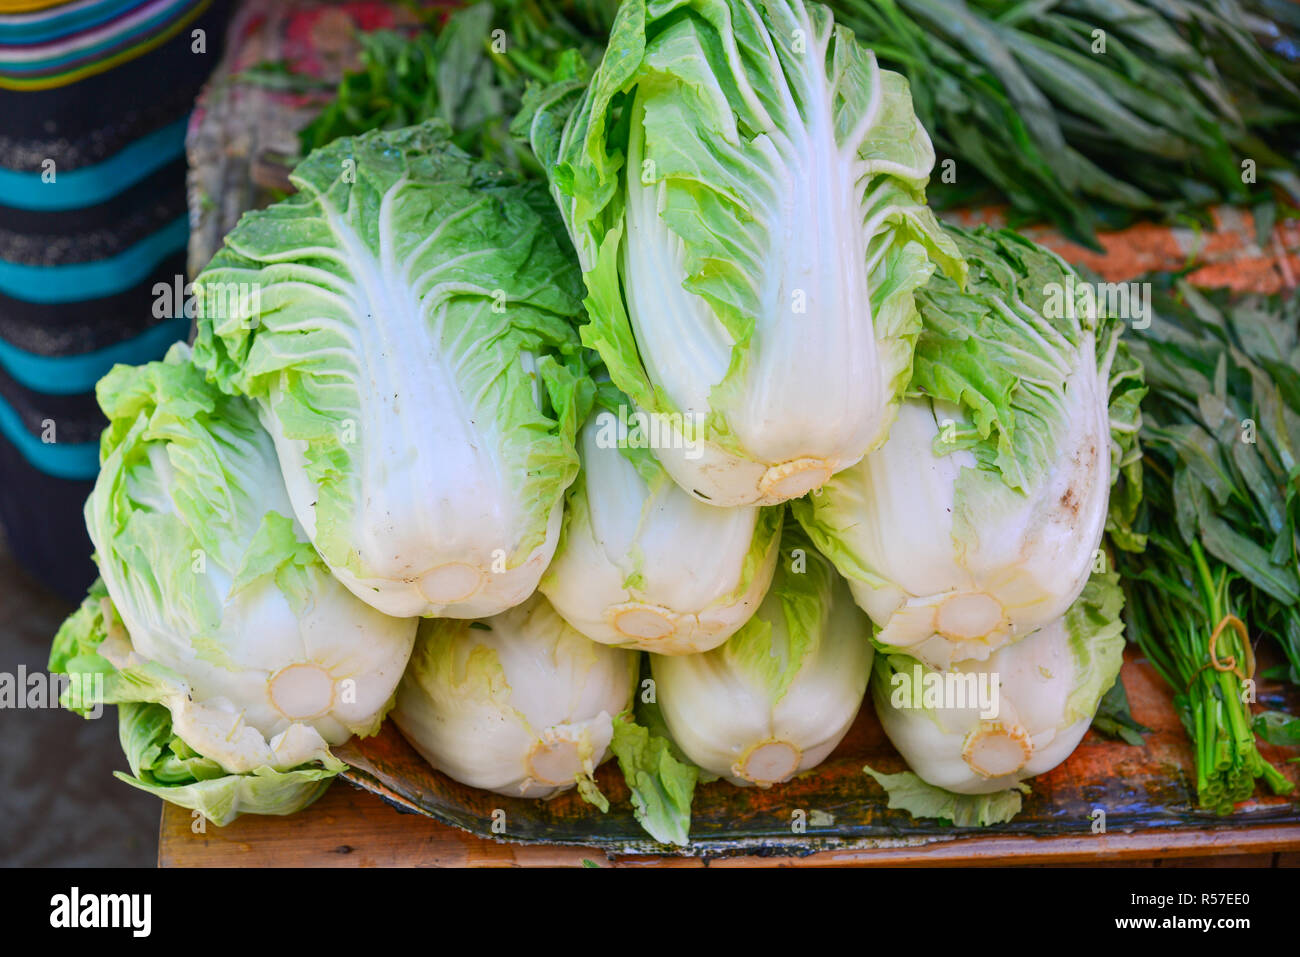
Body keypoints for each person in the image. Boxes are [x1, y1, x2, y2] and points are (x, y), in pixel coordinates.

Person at [0, 0, 233, 602]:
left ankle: (206, 527)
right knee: (72, 329)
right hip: (38, 59)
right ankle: (101, 575)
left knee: (200, 249)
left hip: (175, 31)